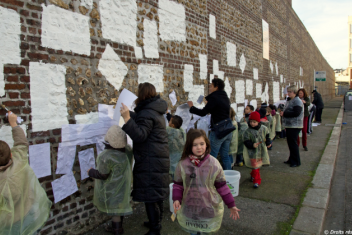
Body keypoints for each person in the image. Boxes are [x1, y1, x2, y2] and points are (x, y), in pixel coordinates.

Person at [120, 82, 169, 235]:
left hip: (150, 161)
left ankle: (155, 229)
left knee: (150, 196)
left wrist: (127, 119)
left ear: (141, 95)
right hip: (157, 157)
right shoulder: (154, 110)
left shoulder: (147, 113)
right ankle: (156, 222)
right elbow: (144, 121)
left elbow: (140, 135)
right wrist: (132, 115)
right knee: (156, 194)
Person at [172, 129, 240, 235]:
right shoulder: (183, 164)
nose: (199, 147)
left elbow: (222, 186)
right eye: (195, 145)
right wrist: (176, 198)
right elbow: (178, 184)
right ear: (189, 146)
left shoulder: (214, 163)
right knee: (193, 232)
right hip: (190, 207)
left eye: (201, 144)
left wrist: (231, 204)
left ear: (207, 144)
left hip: (208, 208)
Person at [0, 112, 52, 234]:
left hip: (8, 223)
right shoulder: (19, 160)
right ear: (11, 155)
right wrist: (13, 123)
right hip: (29, 214)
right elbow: (21, 143)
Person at [88, 125, 133, 235]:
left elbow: (103, 175)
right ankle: (118, 228)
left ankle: (117, 230)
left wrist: (91, 172)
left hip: (112, 187)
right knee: (120, 206)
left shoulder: (106, 156)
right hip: (124, 184)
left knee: (115, 211)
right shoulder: (127, 150)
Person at [187, 78, 233, 170]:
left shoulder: (215, 97)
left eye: (211, 86)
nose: (210, 87)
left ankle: (210, 179)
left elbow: (203, 112)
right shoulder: (225, 97)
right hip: (228, 129)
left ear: (216, 87)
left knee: (211, 157)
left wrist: (192, 107)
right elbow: (218, 110)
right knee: (225, 156)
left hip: (219, 130)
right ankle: (228, 179)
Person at [242, 111, 271, 188]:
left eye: (254, 122)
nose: (252, 123)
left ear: (258, 122)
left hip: (261, 151)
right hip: (252, 152)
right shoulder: (247, 131)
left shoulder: (264, 129)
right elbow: (246, 141)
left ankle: (253, 175)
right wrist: (252, 145)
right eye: (251, 122)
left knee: (257, 166)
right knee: (255, 166)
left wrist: (268, 143)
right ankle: (256, 181)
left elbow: (267, 136)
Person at [280, 85, 304, 168]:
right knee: (290, 143)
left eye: (290, 92)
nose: (288, 93)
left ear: (294, 92)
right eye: (288, 91)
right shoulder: (290, 100)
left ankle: (296, 161)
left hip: (295, 125)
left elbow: (296, 113)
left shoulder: (297, 101)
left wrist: (285, 114)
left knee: (293, 144)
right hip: (289, 125)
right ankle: (291, 159)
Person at [166, 112, 186, 178]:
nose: (169, 121)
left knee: (173, 172)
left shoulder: (169, 131)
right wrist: (168, 113)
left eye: (170, 121)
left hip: (172, 157)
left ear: (173, 125)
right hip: (180, 158)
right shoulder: (182, 132)